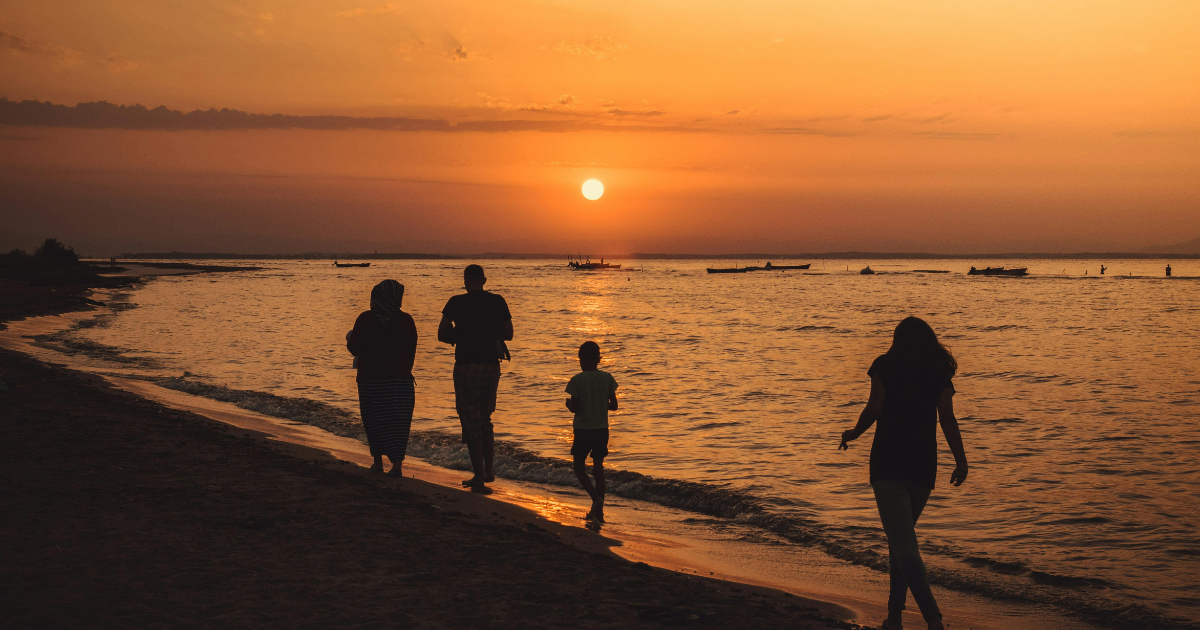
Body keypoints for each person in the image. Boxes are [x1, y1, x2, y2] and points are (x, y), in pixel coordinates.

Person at [838, 317, 968, 630]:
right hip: (923, 466)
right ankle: (894, 617)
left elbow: (874, 408)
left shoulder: (885, 365)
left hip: (888, 462)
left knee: (903, 544)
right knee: (900, 539)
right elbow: (947, 420)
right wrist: (961, 461)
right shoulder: (938, 373)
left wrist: (854, 432)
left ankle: (933, 619)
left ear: (898, 340)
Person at [438, 264, 513, 491]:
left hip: (466, 367)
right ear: (484, 280)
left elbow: (442, 333)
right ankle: (489, 469)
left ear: (465, 281)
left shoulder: (456, 302)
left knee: (470, 421)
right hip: (491, 367)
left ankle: (479, 476)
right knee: (485, 419)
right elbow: (509, 334)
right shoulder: (498, 301)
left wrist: (457, 336)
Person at [347, 279, 418, 477]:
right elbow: (412, 351)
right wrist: (404, 370)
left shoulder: (365, 319)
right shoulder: (406, 320)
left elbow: (353, 348)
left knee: (374, 421)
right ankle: (397, 466)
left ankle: (377, 462)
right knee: (398, 423)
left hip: (371, 380)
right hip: (400, 381)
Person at [565, 341, 618, 522]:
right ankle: (600, 512)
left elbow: (575, 408)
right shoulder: (608, 378)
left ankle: (596, 499)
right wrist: (601, 405)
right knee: (598, 469)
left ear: (580, 360)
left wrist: (569, 406)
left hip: (583, 430)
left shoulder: (577, 380)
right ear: (599, 359)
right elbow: (615, 406)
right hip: (601, 430)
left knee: (579, 468)